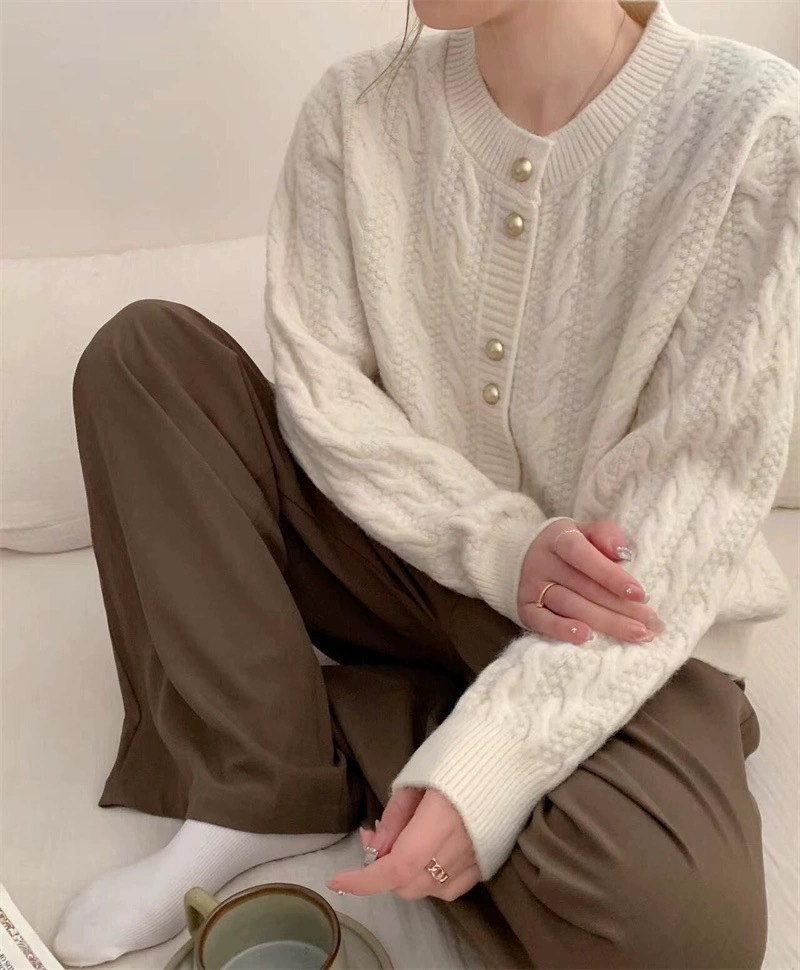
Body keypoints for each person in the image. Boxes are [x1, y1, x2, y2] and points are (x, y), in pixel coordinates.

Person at [54, 0, 799, 966]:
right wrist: (498, 546)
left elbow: (690, 495)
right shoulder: (354, 109)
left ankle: (374, 728)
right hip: (392, 561)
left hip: (614, 615)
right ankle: (260, 787)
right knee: (143, 358)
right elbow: (325, 397)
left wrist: (489, 767)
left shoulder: (749, 122)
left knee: (684, 936)